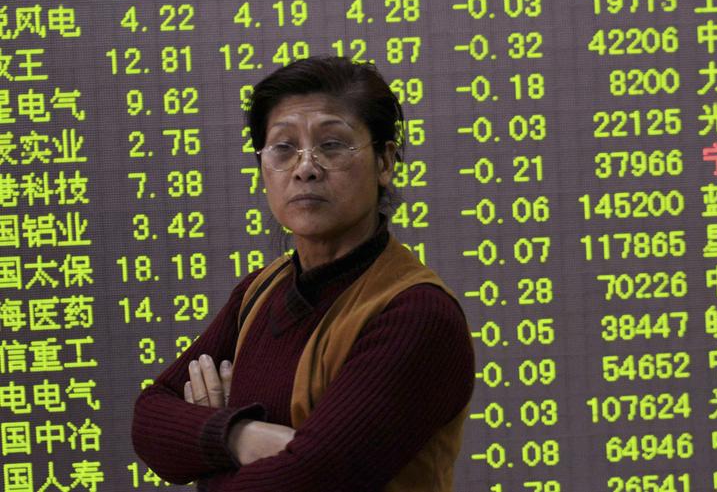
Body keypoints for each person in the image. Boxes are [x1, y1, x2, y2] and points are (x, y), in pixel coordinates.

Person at [131, 56, 475, 491]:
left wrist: (208, 447)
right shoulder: (259, 291)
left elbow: (307, 479)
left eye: (332, 145)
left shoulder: (416, 313)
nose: (306, 166)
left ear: (385, 162)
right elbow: (150, 417)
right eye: (283, 147)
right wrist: (240, 436)